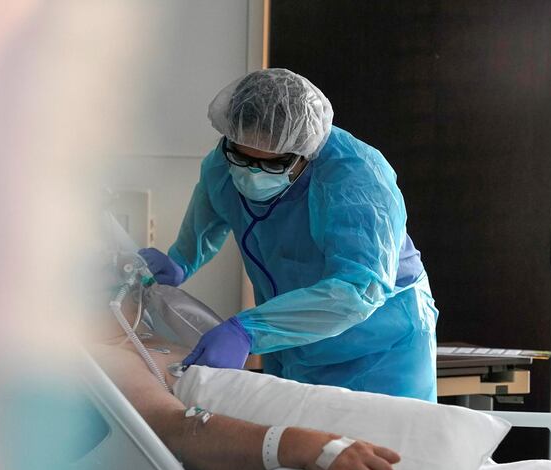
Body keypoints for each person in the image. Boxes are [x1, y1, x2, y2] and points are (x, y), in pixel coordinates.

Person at [140, 68, 438, 400]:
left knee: (380, 445)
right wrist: (180, 261)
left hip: (379, 347)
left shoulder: (357, 177)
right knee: (300, 444)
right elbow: (208, 218)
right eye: (241, 157)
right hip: (289, 342)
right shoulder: (223, 164)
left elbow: (358, 289)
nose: (252, 173)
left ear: (305, 153)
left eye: (273, 164)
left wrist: (248, 331)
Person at [87, 294, 400, 470]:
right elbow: (175, 428)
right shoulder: (105, 358)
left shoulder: (148, 339)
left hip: (351, 437)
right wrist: (300, 444)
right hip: (326, 450)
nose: (128, 285)